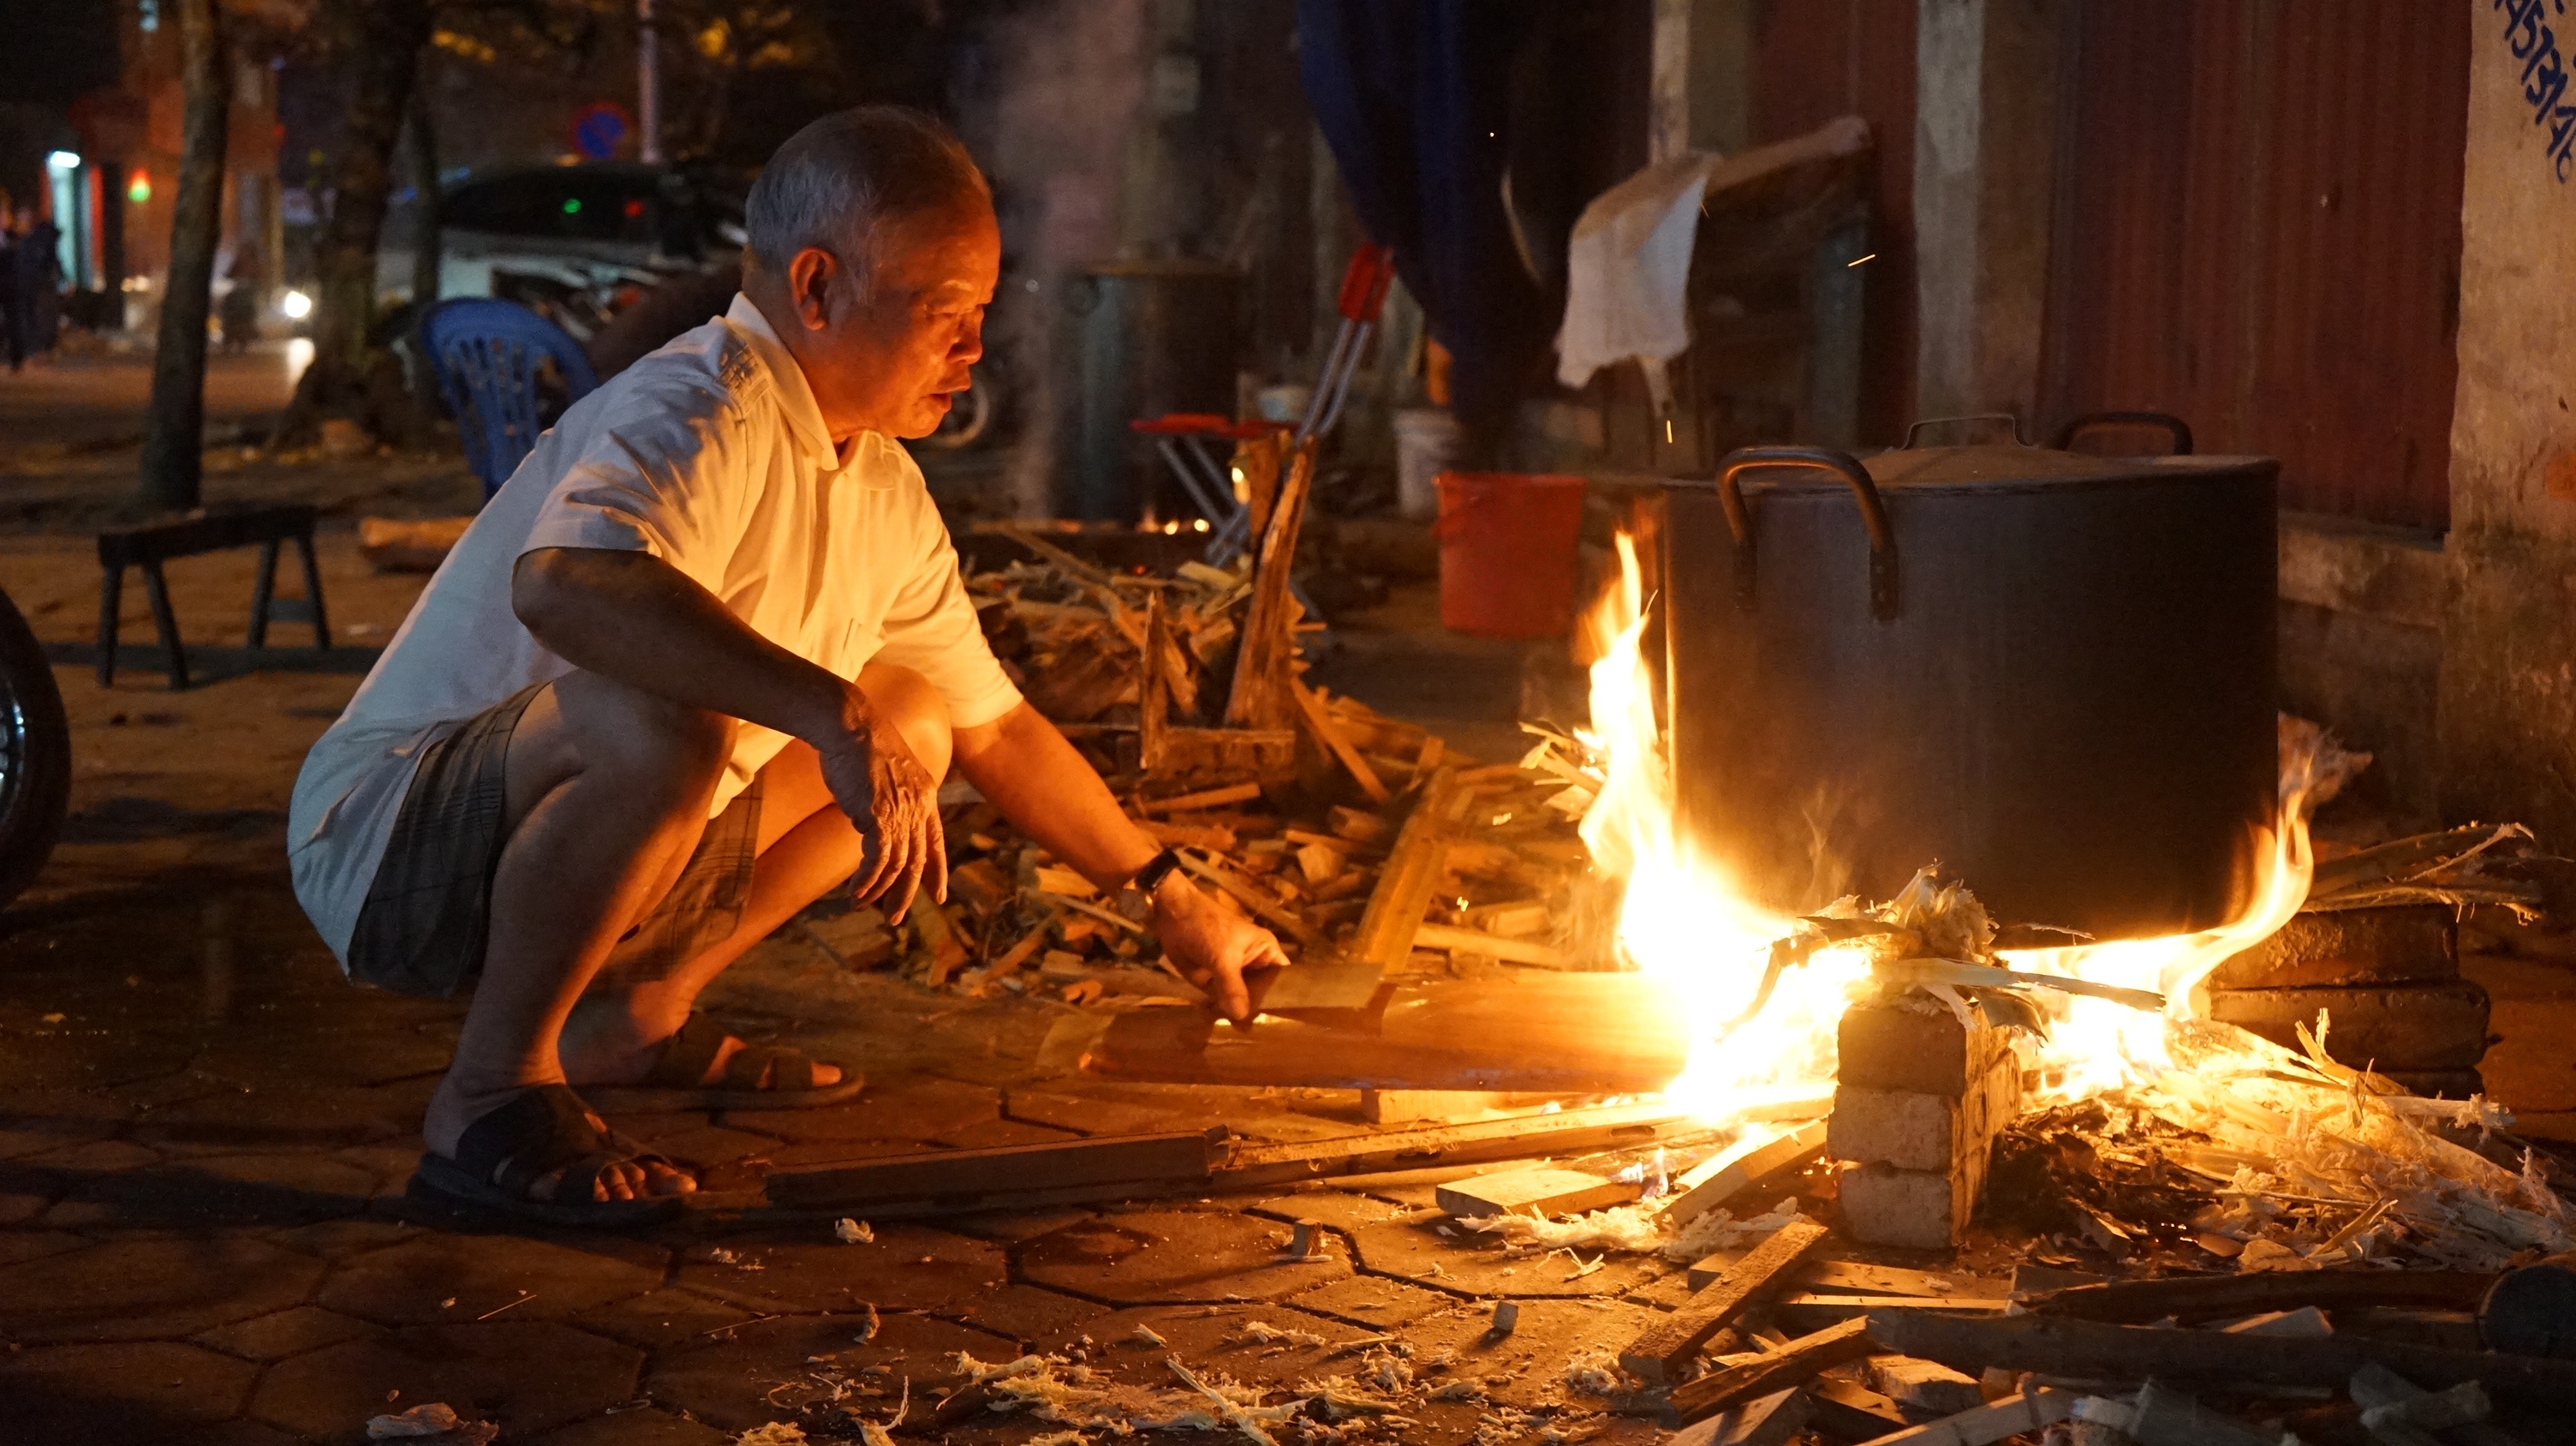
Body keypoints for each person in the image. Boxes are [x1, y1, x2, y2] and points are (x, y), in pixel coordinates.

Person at [286, 107, 1287, 1225]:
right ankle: (489, 1095)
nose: (973, 350)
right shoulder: (699, 405)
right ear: (817, 288)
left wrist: (1169, 897)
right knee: (672, 721)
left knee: (924, 716)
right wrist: (832, 715)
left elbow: (998, 728)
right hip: (389, 848)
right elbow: (561, 584)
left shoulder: (884, 487)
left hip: (587, 853)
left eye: (982, 318)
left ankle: (637, 1011)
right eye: (946, 314)